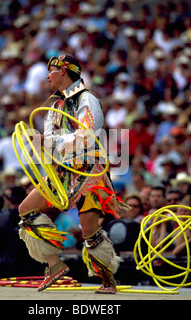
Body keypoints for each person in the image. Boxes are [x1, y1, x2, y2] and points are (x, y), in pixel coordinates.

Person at [17, 54, 128, 294]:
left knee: (89, 229)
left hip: (88, 172)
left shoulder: (87, 98)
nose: (47, 76)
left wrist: (49, 141)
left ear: (65, 71)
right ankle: (54, 265)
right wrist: (39, 145)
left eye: (52, 70)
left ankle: (108, 280)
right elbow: (49, 144)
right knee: (26, 210)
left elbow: (88, 134)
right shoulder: (54, 105)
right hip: (61, 172)